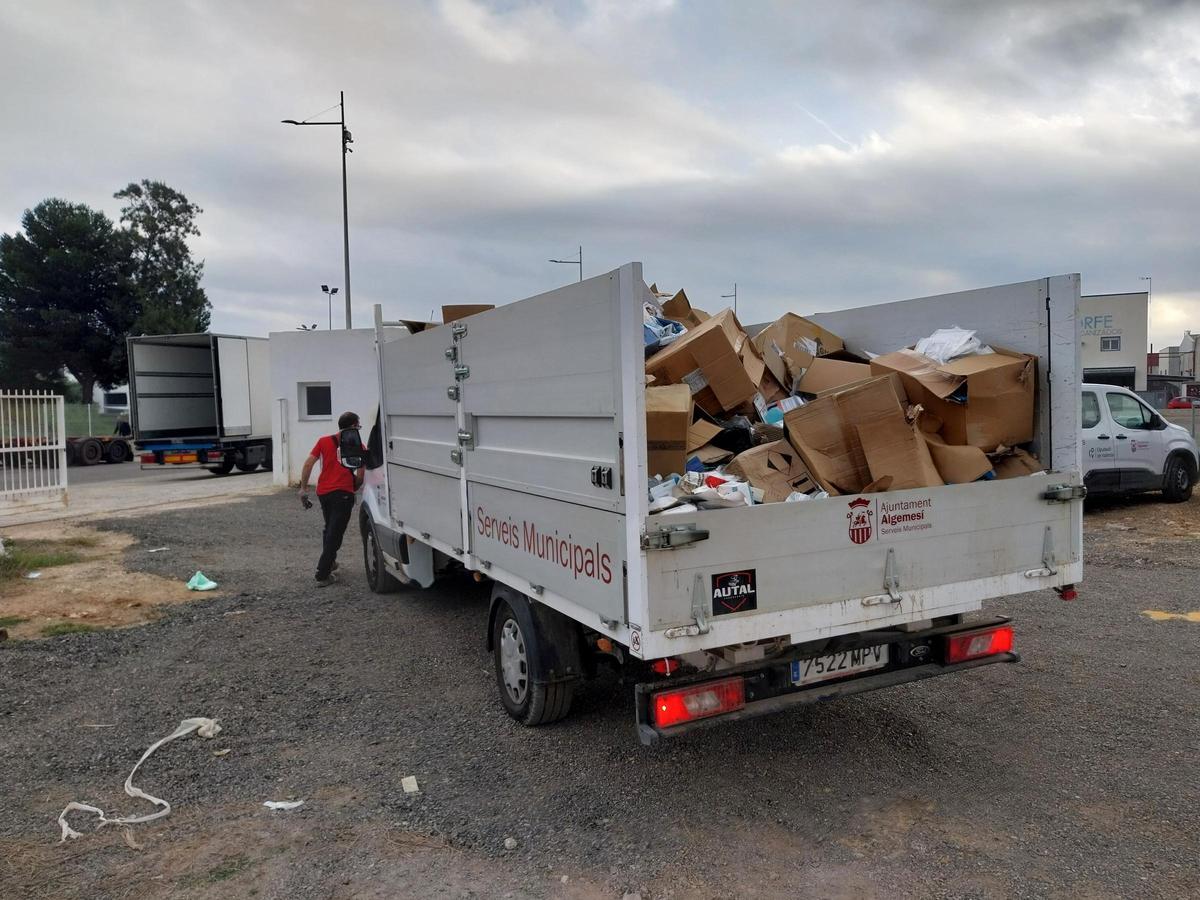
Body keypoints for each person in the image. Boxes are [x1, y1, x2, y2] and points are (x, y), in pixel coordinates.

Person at [298, 411, 365, 587]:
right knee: (335, 533)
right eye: (358, 426)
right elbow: (360, 475)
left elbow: (308, 463)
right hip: (343, 493)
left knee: (329, 529)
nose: (358, 429)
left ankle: (331, 562)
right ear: (353, 427)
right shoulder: (357, 445)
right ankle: (322, 574)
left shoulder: (323, 441)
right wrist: (353, 486)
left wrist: (303, 488)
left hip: (324, 493)